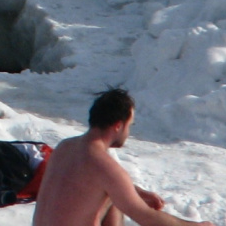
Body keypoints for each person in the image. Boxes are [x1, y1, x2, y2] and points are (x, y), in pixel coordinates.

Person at [31, 89, 214, 226]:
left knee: (113, 197)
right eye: (129, 125)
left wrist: (138, 192)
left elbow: (86, 182)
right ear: (118, 125)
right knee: (117, 199)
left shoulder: (65, 147)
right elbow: (146, 217)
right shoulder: (103, 165)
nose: (128, 132)